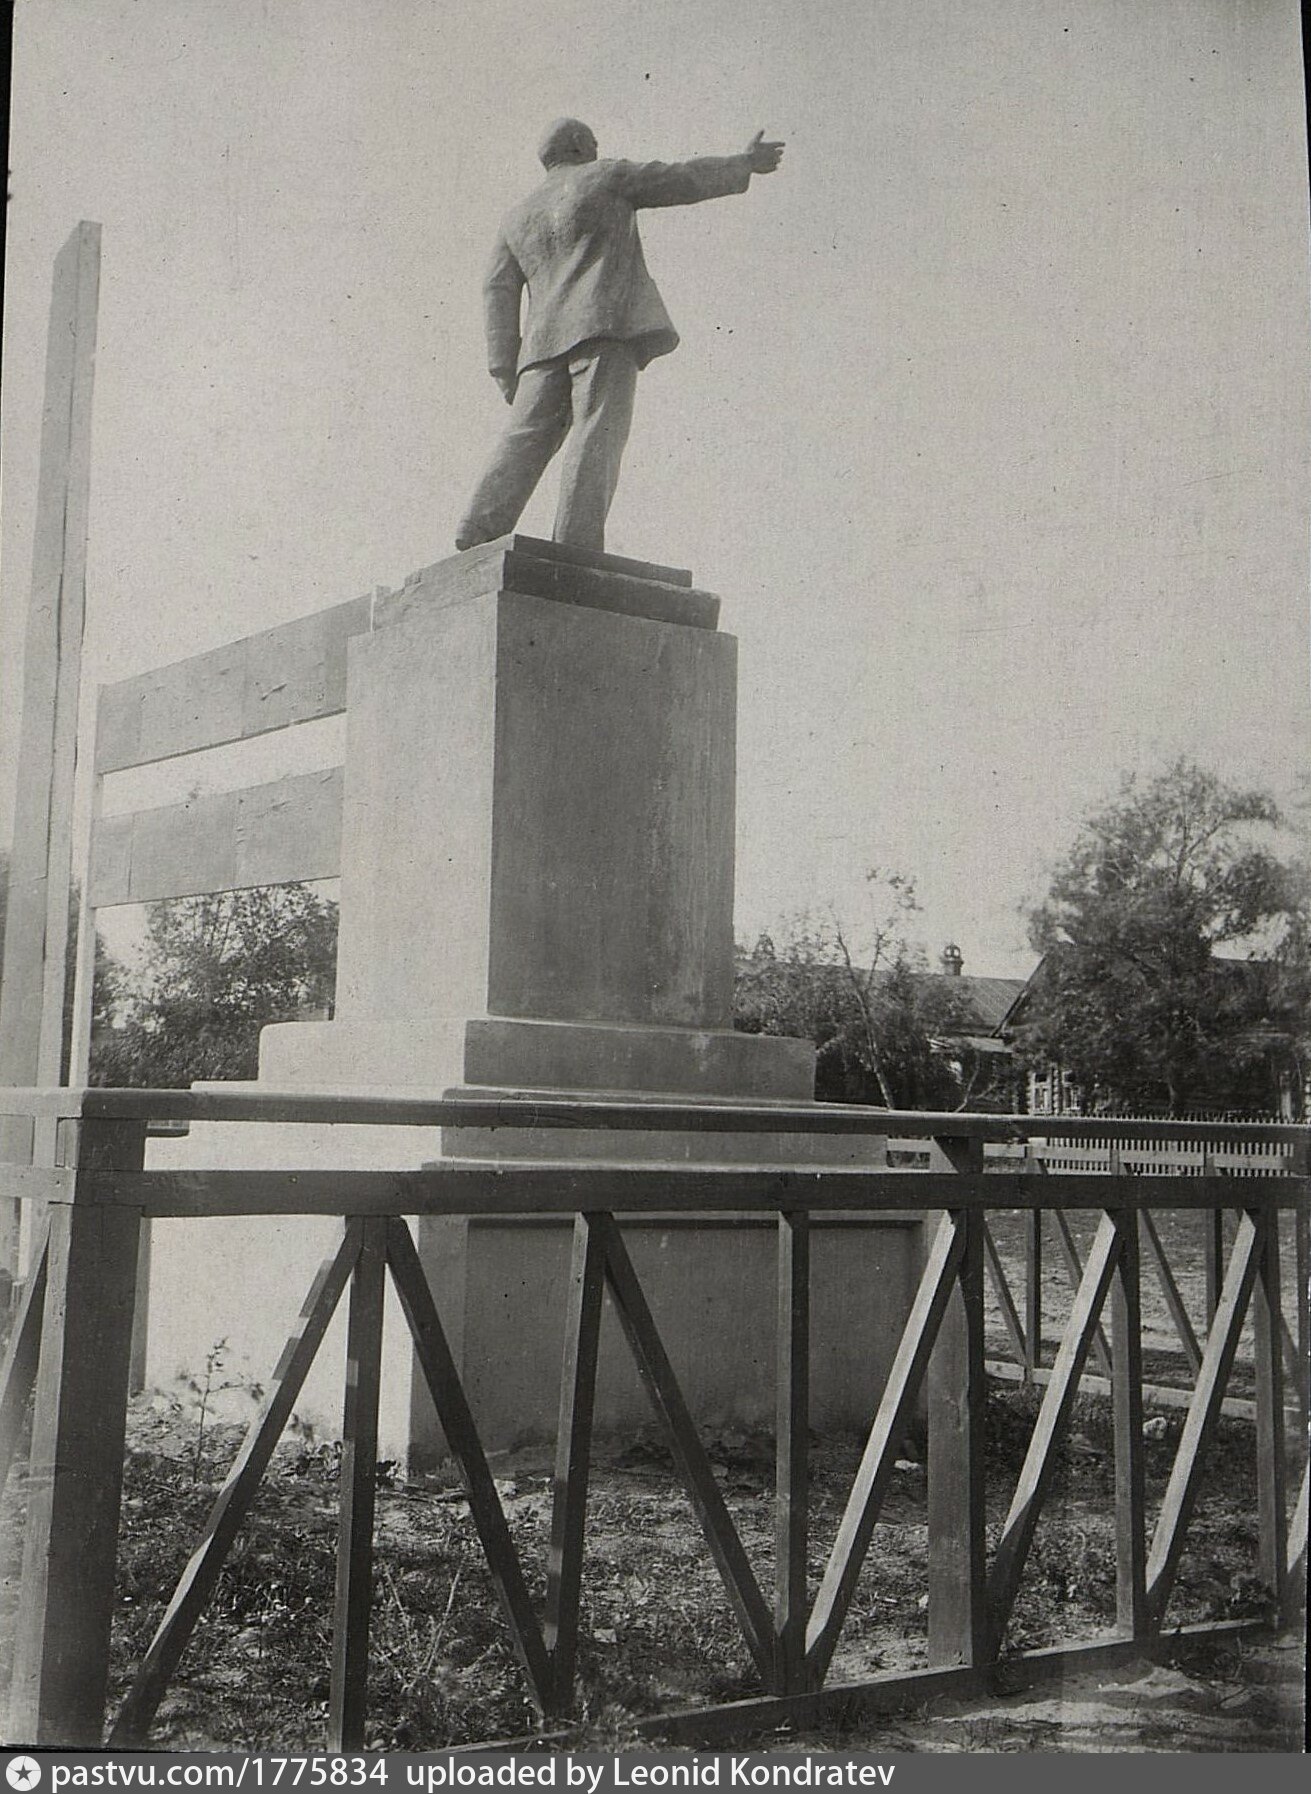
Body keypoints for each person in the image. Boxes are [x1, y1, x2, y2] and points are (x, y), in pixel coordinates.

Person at [455, 118, 785, 554]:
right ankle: (575, 542)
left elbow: (497, 287)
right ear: (578, 144)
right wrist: (743, 164)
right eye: (592, 141)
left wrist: (503, 364)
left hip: (538, 348)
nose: (597, 147)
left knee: (524, 437)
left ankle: (477, 526)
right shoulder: (605, 175)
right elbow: (679, 178)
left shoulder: (516, 217)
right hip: (602, 325)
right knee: (597, 431)